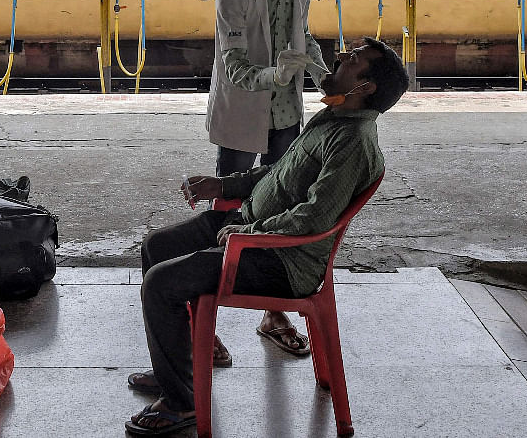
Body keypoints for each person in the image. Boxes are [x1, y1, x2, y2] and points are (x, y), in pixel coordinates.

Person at [124, 37, 409, 435]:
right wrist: (223, 186)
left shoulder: (353, 142)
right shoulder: (334, 120)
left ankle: (181, 403)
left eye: (352, 60)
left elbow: (314, 217)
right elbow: (280, 172)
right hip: (250, 229)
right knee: (157, 246)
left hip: (281, 261)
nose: (339, 59)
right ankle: (180, 368)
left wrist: (250, 232)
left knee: (162, 283)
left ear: (366, 88)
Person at [206, 0, 331, 363]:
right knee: (227, 211)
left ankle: (273, 314)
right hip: (243, 112)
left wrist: (320, 73)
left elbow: (303, 34)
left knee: (277, 208)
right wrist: (272, 77)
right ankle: (209, 317)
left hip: (286, 116)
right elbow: (234, 66)